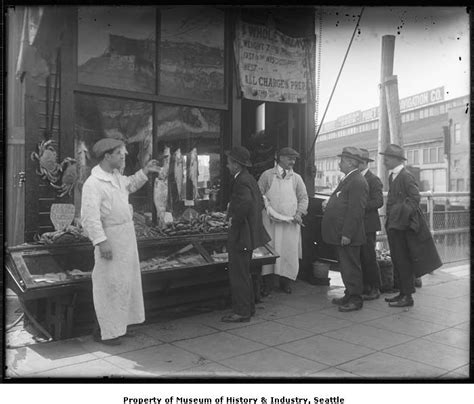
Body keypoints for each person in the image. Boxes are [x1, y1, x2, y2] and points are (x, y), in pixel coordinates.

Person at [81, 138, 162, 345]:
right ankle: (104, 331)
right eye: (119, 153)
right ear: (107, 156)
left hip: (126, 238)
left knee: (125, 283)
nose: (123, 156)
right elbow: (89, 217)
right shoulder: (94, 183)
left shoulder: (116, 177)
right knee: (109, 285)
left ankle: (119, 327)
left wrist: (145, 171)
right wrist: (101, 241)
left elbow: (131, 184)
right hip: (110, 239)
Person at [380, 144, 442, 307]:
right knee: (398, 259)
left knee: (403, 260)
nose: (384, 160)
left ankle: (407, 296)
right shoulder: (394, 175)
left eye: (387, 157)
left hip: (403, 227)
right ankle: (403, 293)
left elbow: (415, 198)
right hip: (396, 226)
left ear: (395, 159)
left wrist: (400, 216)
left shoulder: (405, 176)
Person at [223, 146, 270, 323]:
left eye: (229, 163)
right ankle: (248, 308)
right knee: (244, 272)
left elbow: (246, 203)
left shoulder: (241, 181)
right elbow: (258, 203)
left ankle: (241, 312)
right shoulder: (249, 178)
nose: (227, 166)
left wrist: (233, 220)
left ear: (236, 165)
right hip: (249, 233)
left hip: (242, 234)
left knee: (238, 274)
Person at [322, 147, 368, 312]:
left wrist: (347, 234)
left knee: (351, 267)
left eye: (341, 160)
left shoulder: (357, 181)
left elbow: (356, 211)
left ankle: (355, 299)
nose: (339, 163)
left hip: (348, 235)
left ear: (349, 163)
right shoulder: (349, 179)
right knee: (346, 266)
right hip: (341, 233)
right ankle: (349, 294)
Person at [258, 147, 308, 294]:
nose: (292, 162)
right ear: (280, 158)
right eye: (289, 158)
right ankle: (267, 284)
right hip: (270, 223)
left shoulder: (296, 178)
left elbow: (303, 198)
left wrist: (299, 213)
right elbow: (258, 195)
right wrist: (267, 209)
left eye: (294, 159)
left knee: (288, 251)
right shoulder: (267, 175)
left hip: (290, 224)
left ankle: (285, 282)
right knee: (269, 250)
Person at [358, 148, 384, 300]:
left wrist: (360, 205)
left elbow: (378, 202)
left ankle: (375, 288)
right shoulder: (356, 178)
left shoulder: (373, 180)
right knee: (360, 256)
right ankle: (365, 286)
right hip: (358, 224)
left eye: (358, 162)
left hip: (368, 224)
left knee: (369, 256)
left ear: (364, 163)